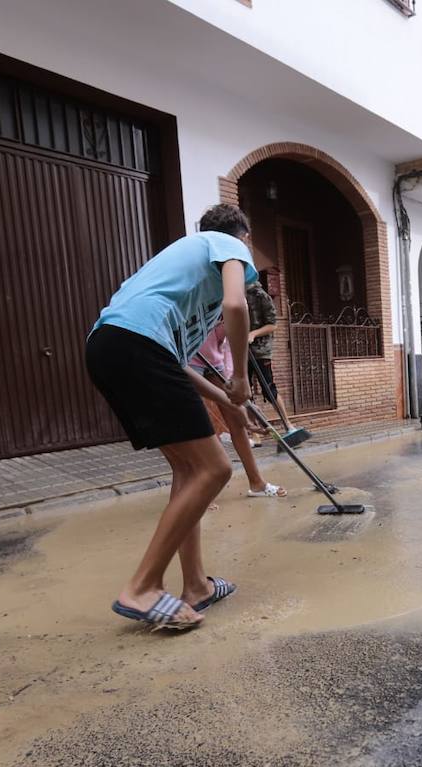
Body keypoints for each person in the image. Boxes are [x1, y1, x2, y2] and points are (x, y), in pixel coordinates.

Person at [85, 203, 258, 630]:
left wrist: (227, 398)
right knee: (215, 469)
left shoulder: (182, 279)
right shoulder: (227, 243)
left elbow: (177, 364)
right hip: (135, 346)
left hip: (111, 348)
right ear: (245, 237)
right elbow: (238, 306)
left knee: (189, 471)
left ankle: (196, 585)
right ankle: (142, 587)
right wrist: (240, 379)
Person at [194, 318, 286, 497]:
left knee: (236, 420)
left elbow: (229, 345)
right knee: (198, 424)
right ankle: (200, 493)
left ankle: (257, 483)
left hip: (215, 359)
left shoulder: (229, 306)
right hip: (189, 359)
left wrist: (236, 387)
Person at [245, 282, 292, 435]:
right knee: (246, 392)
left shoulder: (260, 295)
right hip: (240, 352)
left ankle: (288, 425)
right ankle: (256, 432)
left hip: (260, 351)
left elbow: (273, 325)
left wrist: (253, 334)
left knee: (269, 389)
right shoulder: (232, 295)